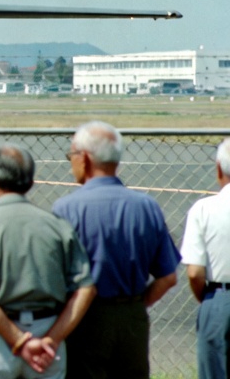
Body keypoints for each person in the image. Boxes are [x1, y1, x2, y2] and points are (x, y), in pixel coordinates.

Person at [52, 121, 180, 379]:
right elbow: (168, 277)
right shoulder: (146, 206)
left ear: (84, 159)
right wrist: (136, 304)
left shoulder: (66, 209)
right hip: (132, 318)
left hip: (85, 319)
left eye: (72, 155)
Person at [0, 143, 96, 379]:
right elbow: (86, 288)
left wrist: (20, 341)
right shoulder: (57, 226)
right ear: (30, 182)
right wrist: (52, 339)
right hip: (47, 335)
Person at [179, 138, 230, 379]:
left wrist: (210, 298)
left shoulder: (203, 209)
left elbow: (194, 272)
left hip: (220, 296)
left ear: (219, 169)